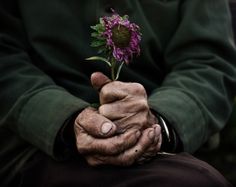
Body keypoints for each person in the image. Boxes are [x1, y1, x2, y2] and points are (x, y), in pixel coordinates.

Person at [0, 0, 235, 186]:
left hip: (161, 150)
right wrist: (66, 121)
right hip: (35, 146)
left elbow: (207, 62)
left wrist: (156, 123)